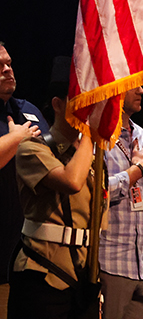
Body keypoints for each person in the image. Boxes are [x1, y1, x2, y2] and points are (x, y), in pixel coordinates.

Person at [7, 56, 105, 319]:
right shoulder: (33, 148)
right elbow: (71, 181)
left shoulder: (94, 158)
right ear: (58, 105)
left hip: (84, 273)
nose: (90, 108)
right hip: (43, 272)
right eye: (82, 101)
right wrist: (91, 134)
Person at [0, 42, 49, 310]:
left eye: (9, 63)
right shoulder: (18, 127)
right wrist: (16, 138)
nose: (8, 70)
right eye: (0, 66)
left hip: (29, 254)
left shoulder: (27, 109)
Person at [99, 85, 143, 319]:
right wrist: (135, 171)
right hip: (109, 263)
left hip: (141, 264)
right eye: (133, 85)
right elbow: (91, 194)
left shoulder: (140, 133)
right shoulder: (96, 135)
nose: (141, 90)